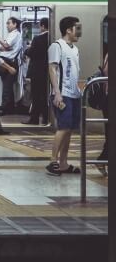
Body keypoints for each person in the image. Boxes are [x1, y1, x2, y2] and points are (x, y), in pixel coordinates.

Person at [46, 16, 83, 176]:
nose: (79, 33)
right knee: (63, 128)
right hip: (62, 94)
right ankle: (53, 161)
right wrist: (57, 93)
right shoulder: (57, 46)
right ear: (68, 30)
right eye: (77, 28)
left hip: (74, 94)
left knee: (69, 129)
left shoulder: (74, 49)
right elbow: (52, 69)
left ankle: (63, 163)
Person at [23, 18, 51, 125]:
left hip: (37, 71)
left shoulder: (38, 38)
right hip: (47, 71)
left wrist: (27, 49)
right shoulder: (52, 38)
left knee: (36, 96)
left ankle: (34, 119)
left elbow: (31, 53)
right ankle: (45, 118)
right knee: (45, 95)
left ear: (43, 26)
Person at [0, 17, 23, 113]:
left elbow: (6, 46)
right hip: (9, 61)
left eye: (9, 23)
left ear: (15, 24)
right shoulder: (13, 34)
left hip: (10, 62)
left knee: (7, 87)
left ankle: (5, 108)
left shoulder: (15, 34)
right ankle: (10, 107)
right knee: (7, 85)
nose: (7, 25)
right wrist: (5, 46)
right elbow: (3, 48)